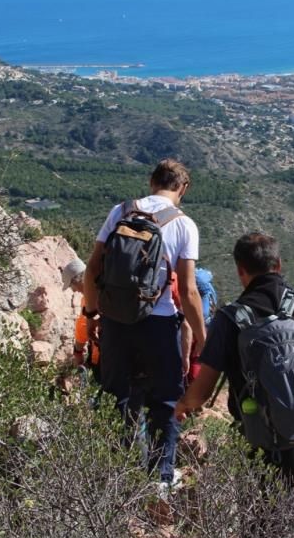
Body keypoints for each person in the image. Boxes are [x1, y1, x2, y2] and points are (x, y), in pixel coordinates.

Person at [175, 232, 294, 483]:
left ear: (240, 271)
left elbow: (201, 393)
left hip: (260, 439)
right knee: (282, 503)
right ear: (278, 265)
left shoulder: (228, 319)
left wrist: (181, 406)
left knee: (259, 512)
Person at [80, 158, 207, 489]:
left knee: (116, 398)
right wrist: (202, 336)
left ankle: (113, 480)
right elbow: (190, 289)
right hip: (159, 325)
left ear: (151, 182)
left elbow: (93, 269)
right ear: (183, 188)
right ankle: (159, 482)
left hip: (116, 324)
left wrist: (91, 314)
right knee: (163, 404)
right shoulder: (184, 225)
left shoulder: (120, 211)